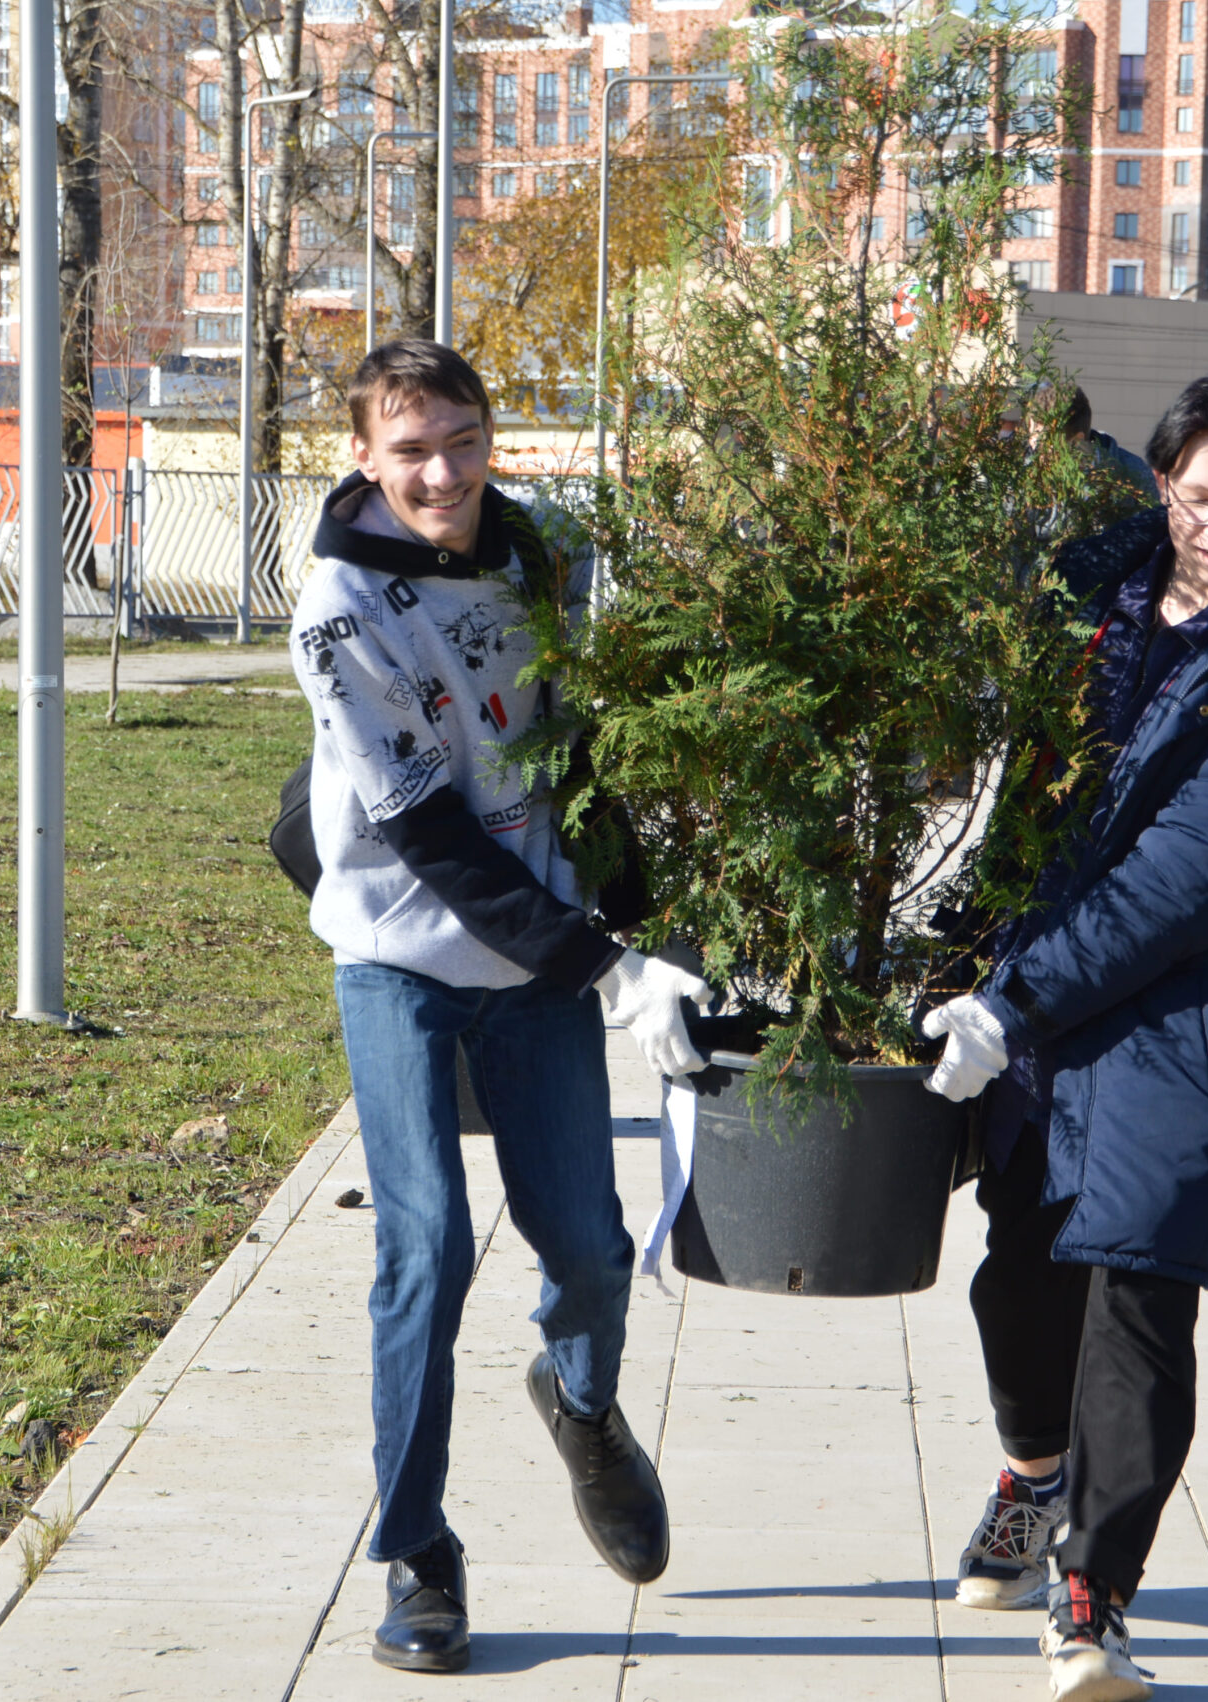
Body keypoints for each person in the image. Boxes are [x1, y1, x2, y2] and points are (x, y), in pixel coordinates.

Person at [918, 370, 1208, 1702]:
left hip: (1197, 1014)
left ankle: (1090, 1602)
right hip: (1053, 998)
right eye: (1196, 496)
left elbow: (1186, 885)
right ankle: (1032, 1468)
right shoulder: (1090, 591)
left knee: (1143, 1297)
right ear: (1158, 478)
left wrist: (1011, 1000)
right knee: (1026, 1276)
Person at [288, 340, 713, 1673]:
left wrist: (645, 917)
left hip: (532, 966)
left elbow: (575, 754)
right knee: (424, 1244)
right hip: (401, 956)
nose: (443, 473)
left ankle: (581, 1403)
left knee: (590, 1249)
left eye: (464, 440)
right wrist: (612, 968)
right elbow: (438, 842)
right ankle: (417, 1551)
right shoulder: (337, 607)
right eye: (410, 449)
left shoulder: (532, 555)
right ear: (363, 455)